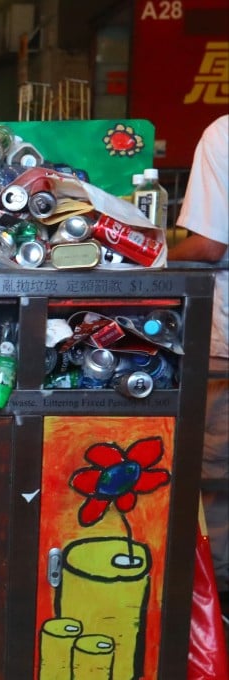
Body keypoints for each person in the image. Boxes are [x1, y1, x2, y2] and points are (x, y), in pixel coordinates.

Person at [168, 114, 228, 598]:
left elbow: (208, 245)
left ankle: (217, 621)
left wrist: (155, 252)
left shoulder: (224, 134)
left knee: (216, 484)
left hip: (226, 351)